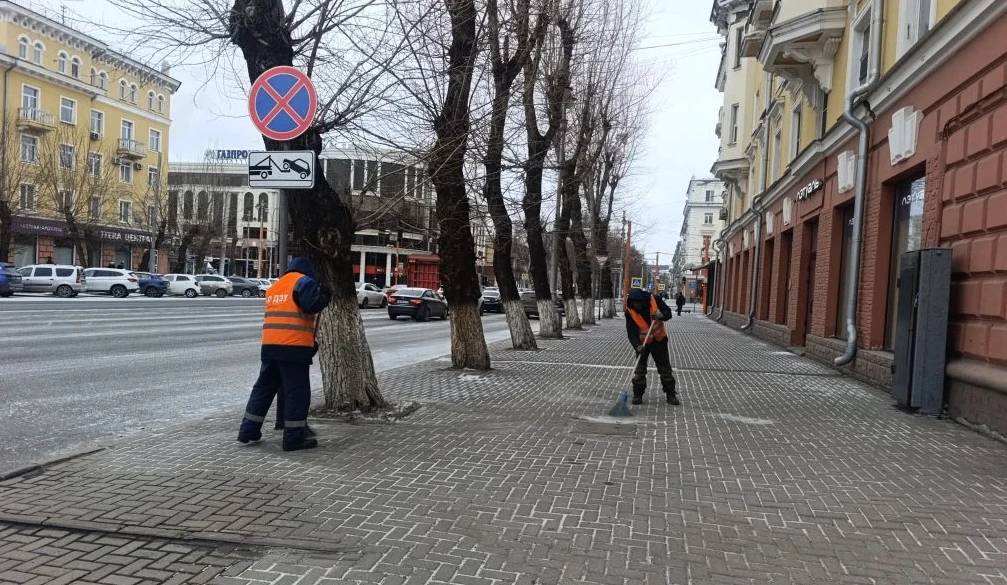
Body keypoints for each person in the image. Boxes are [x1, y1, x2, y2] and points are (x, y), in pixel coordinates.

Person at [238, 256, 331, 451]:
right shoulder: (304, 282)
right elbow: (312, 304)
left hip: (270, 346)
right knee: (297, 393)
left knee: (263, 389)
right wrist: (325, 294)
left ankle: (248, 430)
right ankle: (293, 439)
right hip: (293, 348)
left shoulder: (276, 286)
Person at [625, 287, 679, 405]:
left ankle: (670, 394)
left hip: (659, 341)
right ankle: (637, 394)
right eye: (633, 303)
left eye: (637, 303)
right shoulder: (630, 311)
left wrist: (662, 315)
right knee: (639, 370)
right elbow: (631, 331)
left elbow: (668, 313)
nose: (636, 306)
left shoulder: (655, 300)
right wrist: (637, 346)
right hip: (642, 344)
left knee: (665, 368)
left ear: (642, 300)